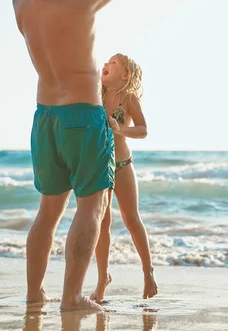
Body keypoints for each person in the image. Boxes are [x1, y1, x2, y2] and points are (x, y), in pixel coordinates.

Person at [12, 0, 129, 312]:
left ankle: (33, 294)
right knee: (92, 207)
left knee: (48, 212)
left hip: (46, 119)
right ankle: (72, 297)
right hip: (82, 114)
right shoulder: (80, 3)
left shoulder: (22, 3)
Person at [90, 54, 158, 302]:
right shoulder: (94, 94)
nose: (106, 65)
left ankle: (148, 271)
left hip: (122, 165)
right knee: (102, 223)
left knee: (131, 219)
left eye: (114, 63)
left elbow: (143, 130)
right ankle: (102, 280)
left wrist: (120, 128)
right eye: (106, 62)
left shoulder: (128, 98)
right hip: (98, 166)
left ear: (125, 74)